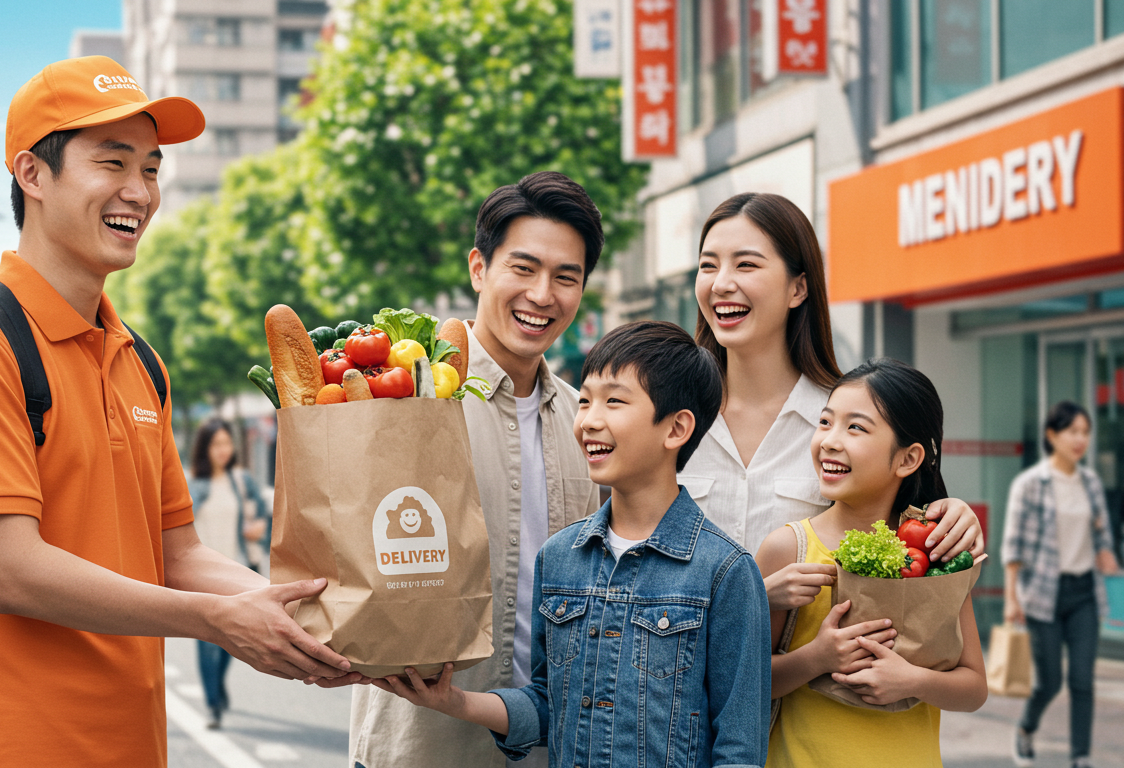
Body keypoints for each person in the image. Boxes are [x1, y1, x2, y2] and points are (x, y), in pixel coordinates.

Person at [0, 56, 352, 768]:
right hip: (6, 748)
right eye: (112, 162)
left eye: (151, 168)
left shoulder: (139, 360)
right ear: (32, 175)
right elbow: (13, 572)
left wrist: (311, 611)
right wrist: (218, 621)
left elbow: (176, 555)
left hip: (133, 746)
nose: (138, 192)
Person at [375, 321, 770, 768]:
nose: (588, 421)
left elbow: (739, 752)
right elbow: (549, 704)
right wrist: (453, 701)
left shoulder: (725, 572)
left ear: (676, 429)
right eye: (584, 401)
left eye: (614, 401)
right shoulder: (560, 558)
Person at [347, 172, 604, 768]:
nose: (543, 295)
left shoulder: (585, 422)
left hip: (552, 748)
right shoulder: (408, 398)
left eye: (567, 277)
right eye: (523, 268)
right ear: (478, 269)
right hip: (420, 745)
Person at [679, 192, 985, 615]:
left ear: (798, 287)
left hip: (814, 671)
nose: (720, 283)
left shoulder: (845, 426)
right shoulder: (672, 418)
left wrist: (951, 515)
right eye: (708, 265)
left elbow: (903, 532)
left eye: (745, 264)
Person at [756, 357, 988, 768]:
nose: (828, 440)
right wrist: (817, 659)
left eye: (855, 427)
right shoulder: (788, 549)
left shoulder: (934, 552)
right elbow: (744, 681)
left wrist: (913, 681)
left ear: (907, 459)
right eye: (825, 422)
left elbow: (974, 688)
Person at [1004, 401, 1120, 768]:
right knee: (1050, 681)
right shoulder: (1030, 485)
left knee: (1082, 682)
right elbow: (1014, 546)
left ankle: (1081, 757)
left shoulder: (1090, 483)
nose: (1080, 439)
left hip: (1084, 592)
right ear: (1052, 435)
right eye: (1073, 431)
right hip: (1043, 595)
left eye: (1085, 432)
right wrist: (1011, 598)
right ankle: (1026, 728)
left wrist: (1106, 555)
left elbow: (1100, 533)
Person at [187, 419, 270, 728]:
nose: (223, 450)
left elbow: (262, 516)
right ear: (204, 449)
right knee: (208, 642)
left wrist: (258, 530)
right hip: (203, 576)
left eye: (227, 443)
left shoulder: (242, 481)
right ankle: (212, 704)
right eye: (216, 444)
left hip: (235, 570)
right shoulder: (194, 485)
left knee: (229, 642)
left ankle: (218, 684)